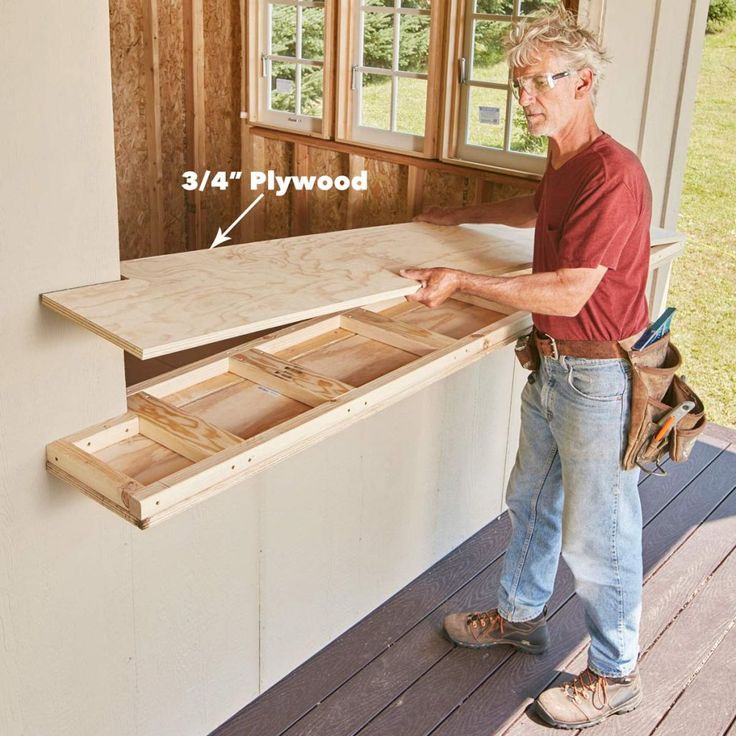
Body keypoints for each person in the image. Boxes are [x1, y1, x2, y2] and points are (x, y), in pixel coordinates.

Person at [400, 6, 652, 730]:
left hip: (599, 378)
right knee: (531, 500)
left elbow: (573, 287)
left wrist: (461, 279)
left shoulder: (613, 172)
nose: (529, 99)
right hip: (554, 367)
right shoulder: (565, 162)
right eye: (520, 86)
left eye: (542, 82)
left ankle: (617, 673)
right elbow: (543, 208)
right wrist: (463, 217)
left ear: (585, 83)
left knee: (599, 529)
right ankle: (519, 616)